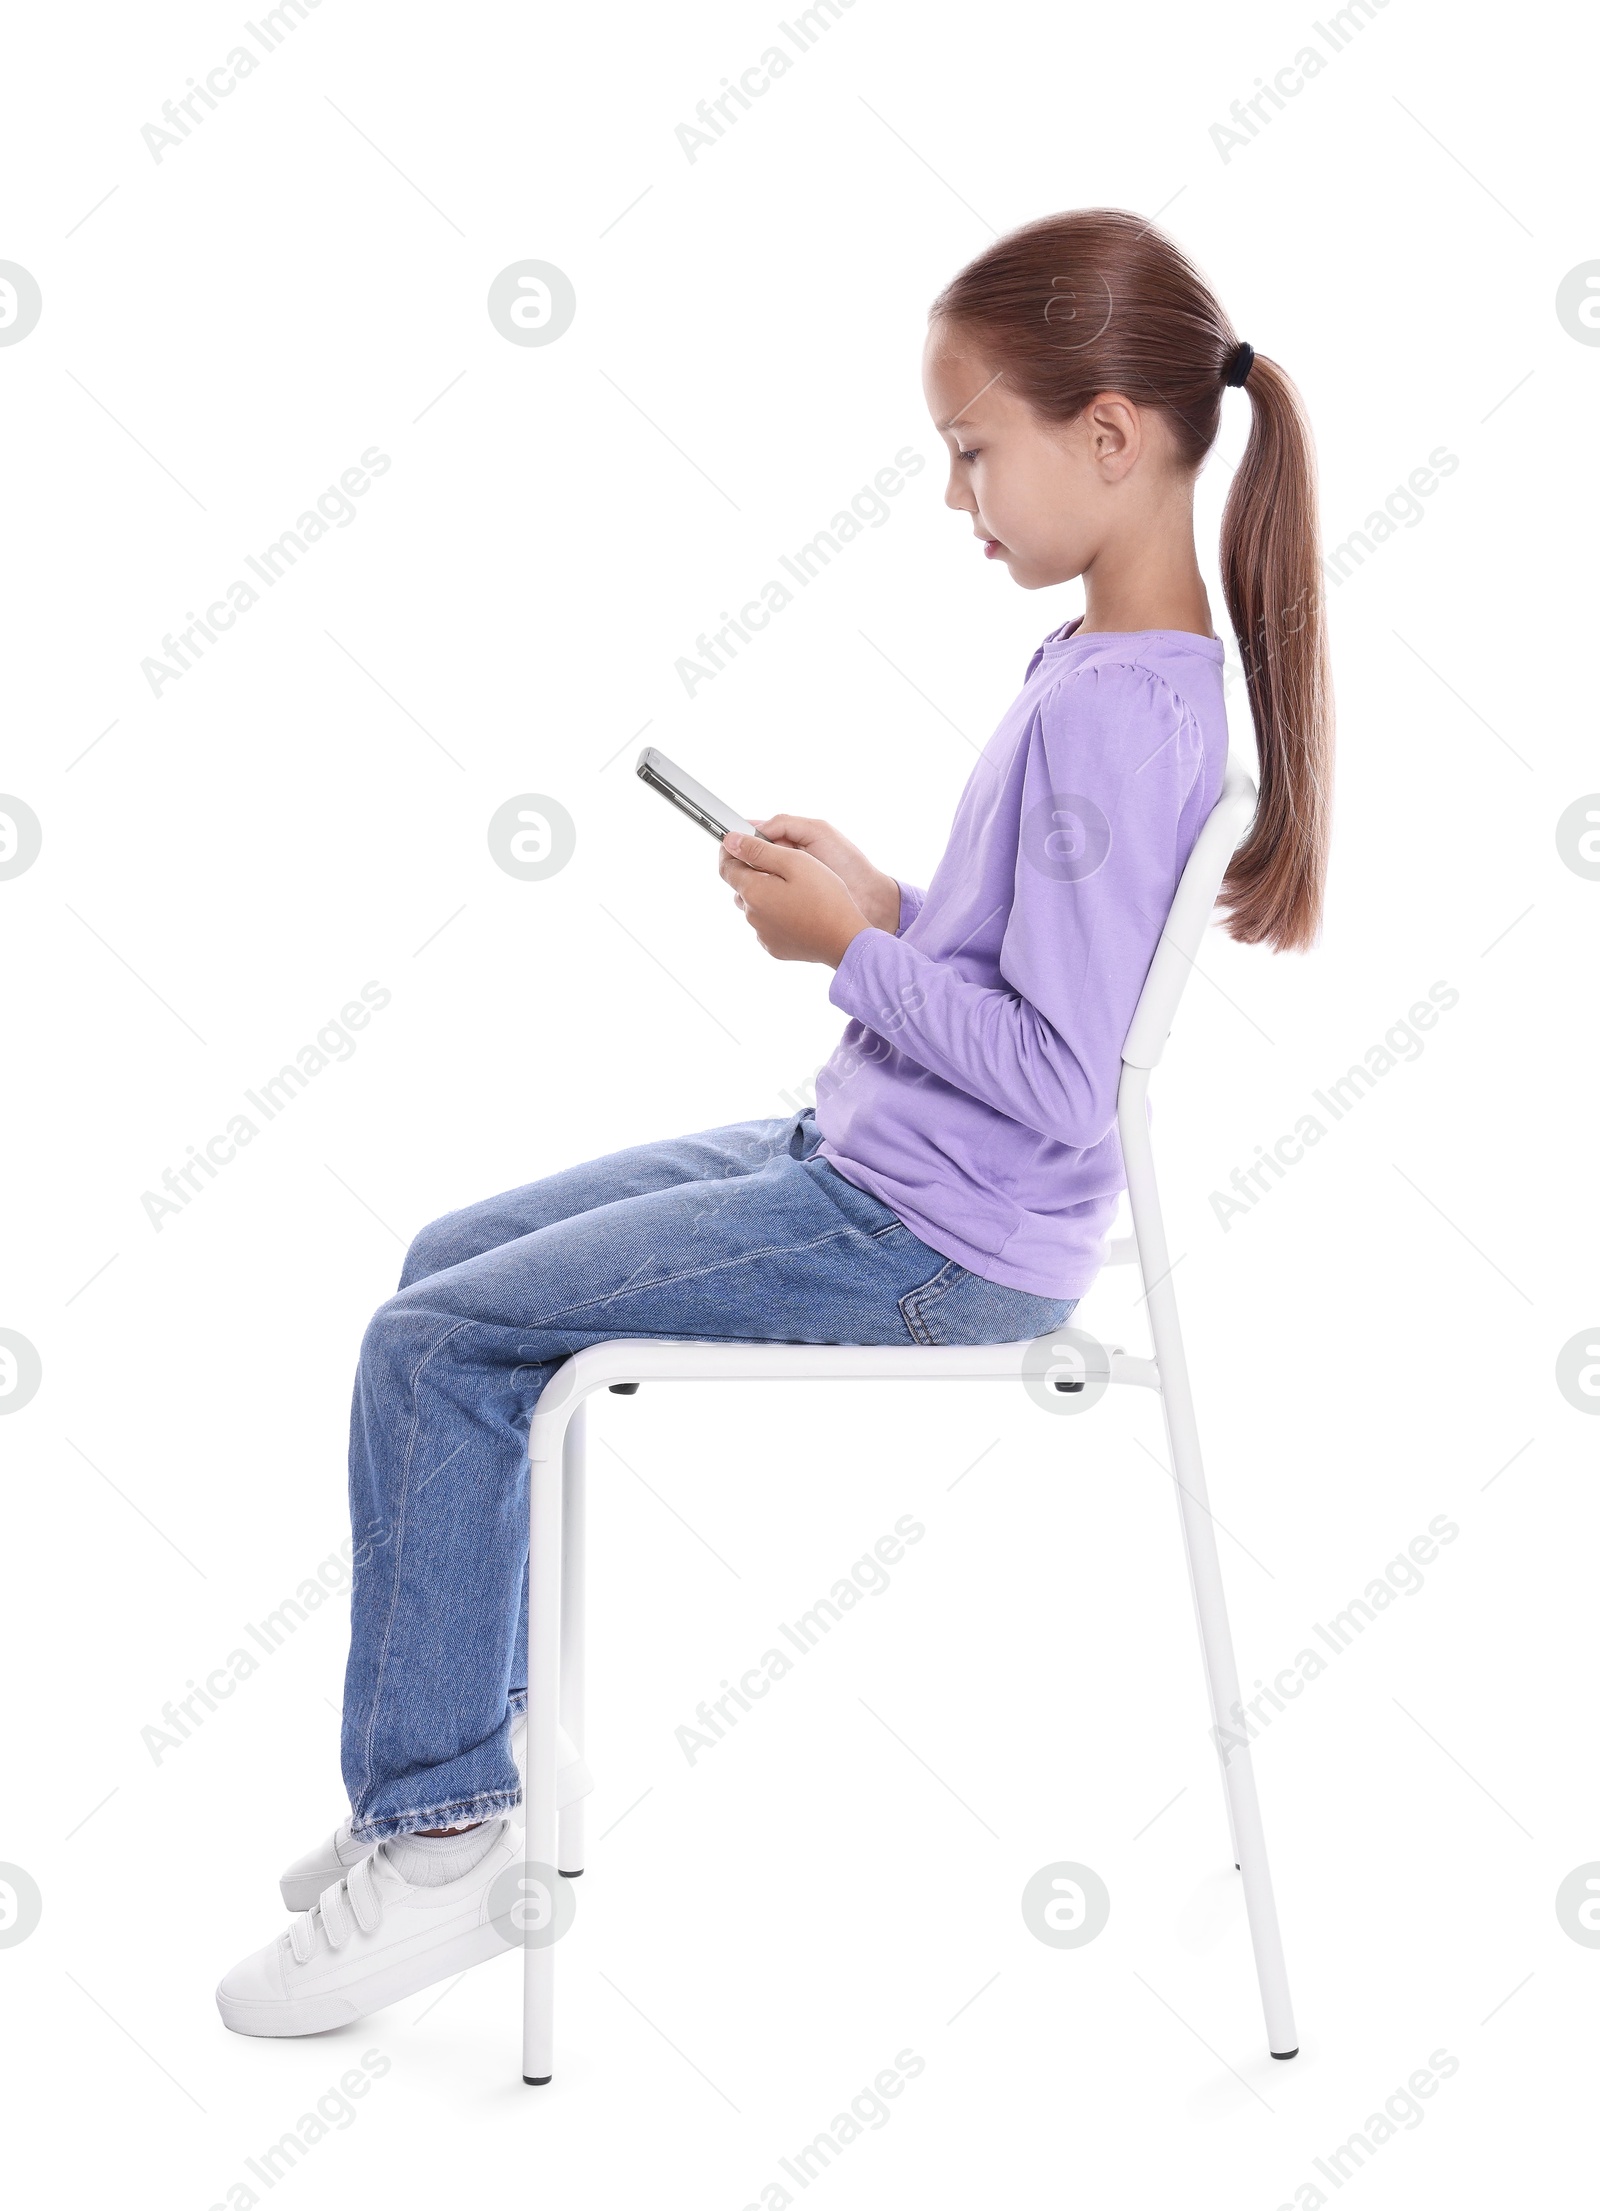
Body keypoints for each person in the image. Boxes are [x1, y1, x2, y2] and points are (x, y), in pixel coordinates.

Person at [216, 207, 1333, 2036]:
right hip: (880, 1163)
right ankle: (455, 1787)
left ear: (1110, 437)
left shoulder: (1125, 717)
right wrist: (885, 905)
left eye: (975, 452)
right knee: (445, 1274)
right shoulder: (1103, 675)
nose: (955, 496)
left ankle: (444, 1832)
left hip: (937, 1239)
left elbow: (1063, 1080)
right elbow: (1031, 983)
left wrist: (846, 956)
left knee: (431, 1348)